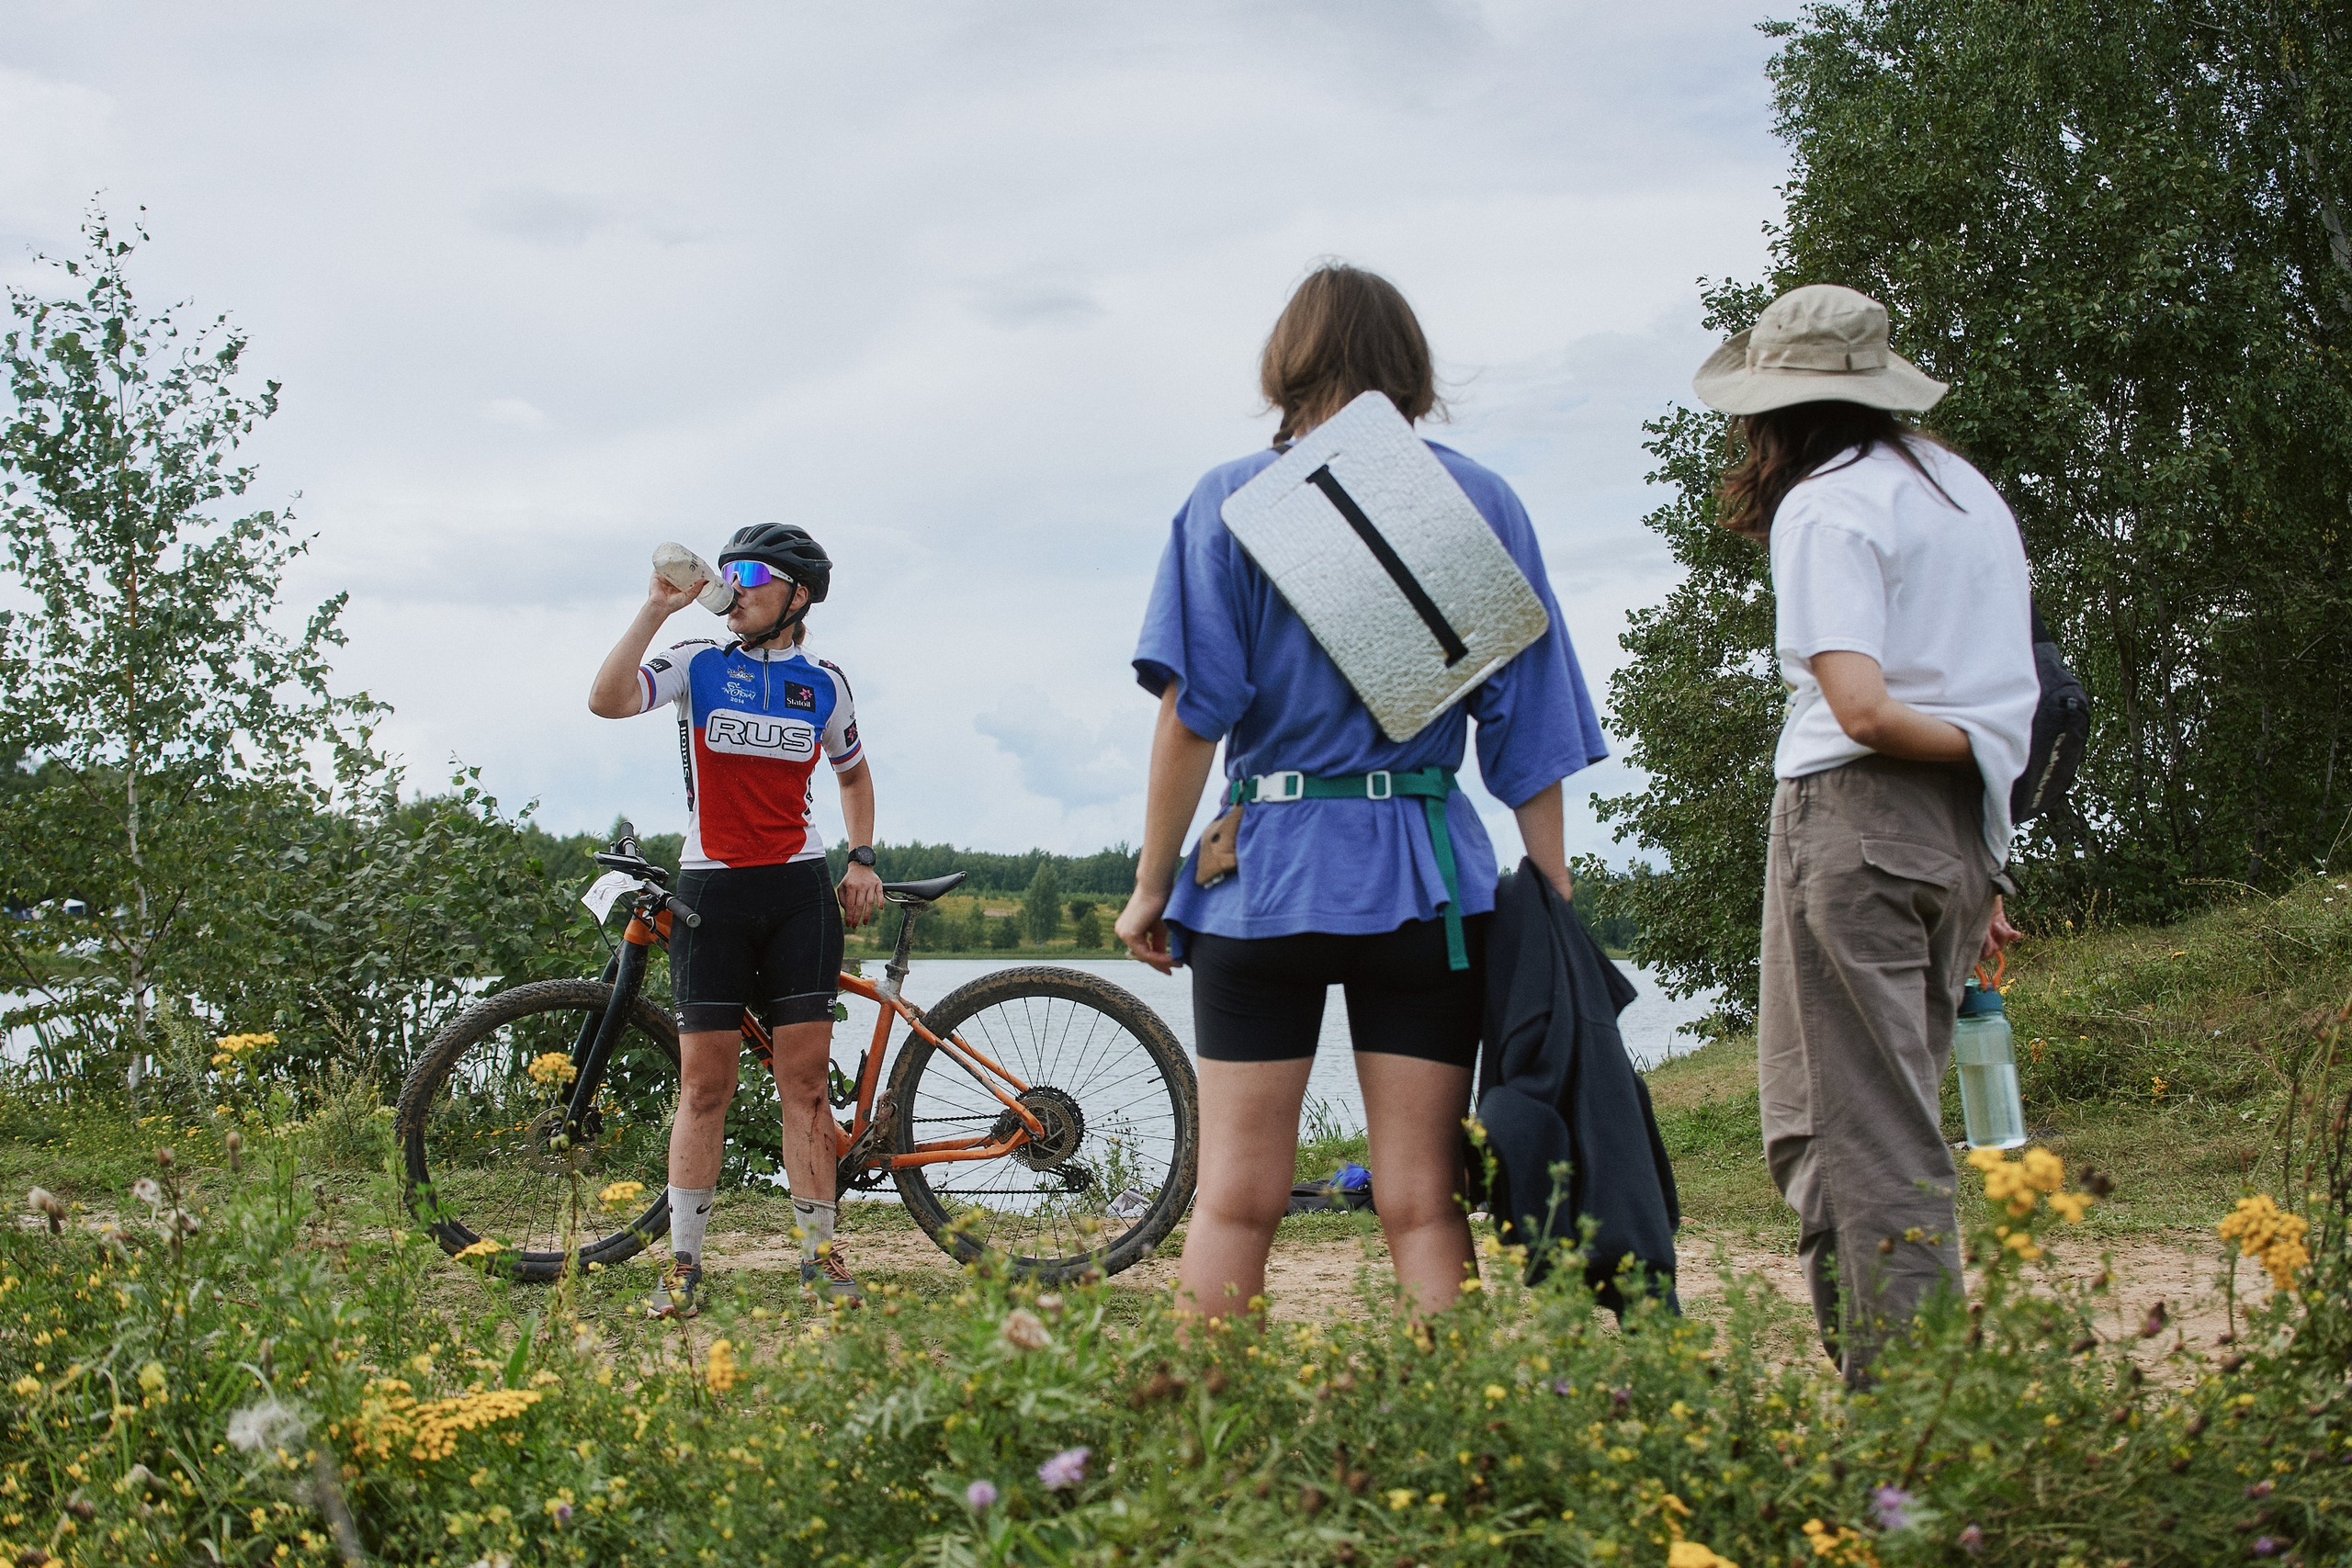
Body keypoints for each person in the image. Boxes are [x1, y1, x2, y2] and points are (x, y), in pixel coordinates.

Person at [1116, 264, 1610, 1319]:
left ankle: (1201, 1415)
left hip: (1263, 879)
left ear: (1285, 365)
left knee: (1236, 1196)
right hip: (1428, 885)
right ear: (1409, 367)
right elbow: (1531, 724)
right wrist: (1553, 893)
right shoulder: (1479, 500)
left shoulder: (1229, 500)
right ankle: (1453, 1414)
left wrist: (1152, 884)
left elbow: (1194, 716)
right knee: (1423, 1200)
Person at [1690, 282, 2035, 1383]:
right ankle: (1904, 1392)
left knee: (1849, 1130)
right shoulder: (1962, 491)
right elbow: (1997, 688)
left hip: (1854, 815)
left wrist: (1961, 753)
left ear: (1769, 410)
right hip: (1957, 832)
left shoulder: (1827, 504)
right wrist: (1986, 824)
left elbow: (1862, 709)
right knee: (1871, 1118)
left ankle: (1906, 1411)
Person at [587, 524, 884, 1314]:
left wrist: (861, 856)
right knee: (703, 1087)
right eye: (728, 572)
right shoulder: (697, 661)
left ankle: (820, 1259)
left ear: (799, 595)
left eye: (752, 573)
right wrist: (656, 608)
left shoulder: (824, 683)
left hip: (797, 895)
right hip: (711, 894)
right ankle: (684, 1265)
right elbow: (607, 700)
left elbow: (855, 776)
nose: (734, 586)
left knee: (806, 1087)